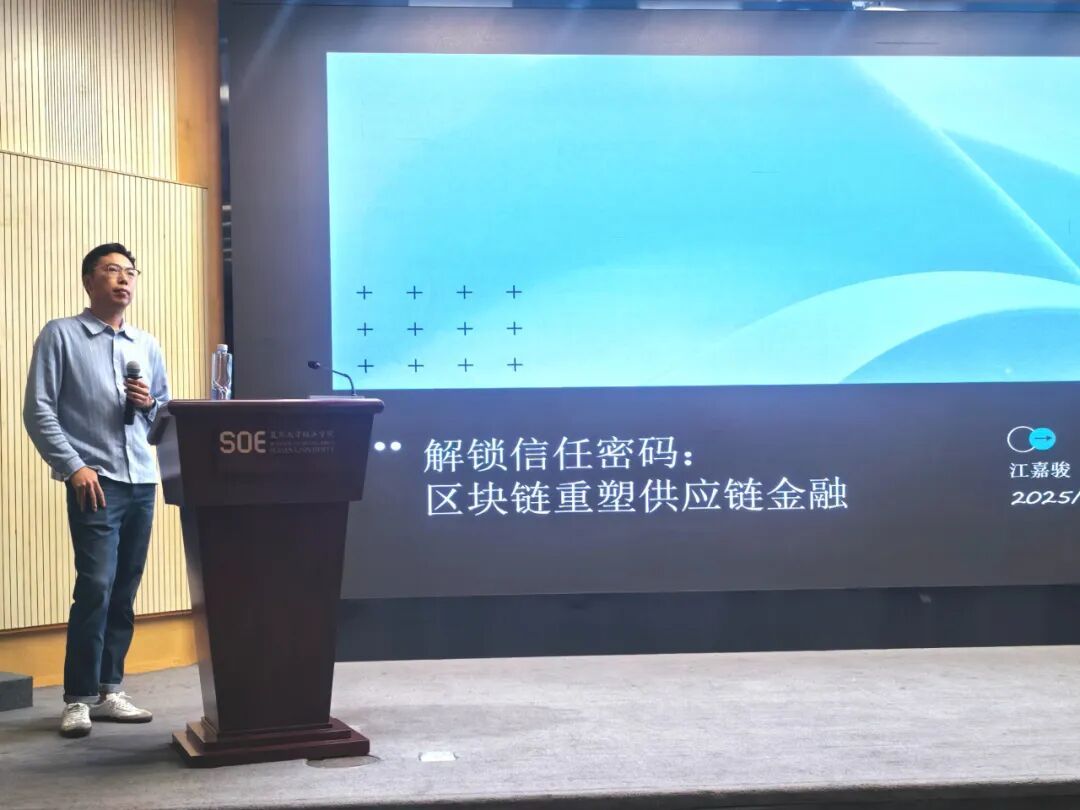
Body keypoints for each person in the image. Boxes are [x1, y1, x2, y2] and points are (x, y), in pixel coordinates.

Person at [23, 243, 171, 738]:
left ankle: (111, 690)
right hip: (95, 481)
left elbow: (164, 419)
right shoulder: (61, 334)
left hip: (141, 480)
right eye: (112, 270)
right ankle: (79, 697)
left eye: (130, 272)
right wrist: (73, 467)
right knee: (96, 585)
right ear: (89, 281)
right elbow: (38, 410)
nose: (124, 279)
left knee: (125, 587)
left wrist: (148, 405)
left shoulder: (146, 345)